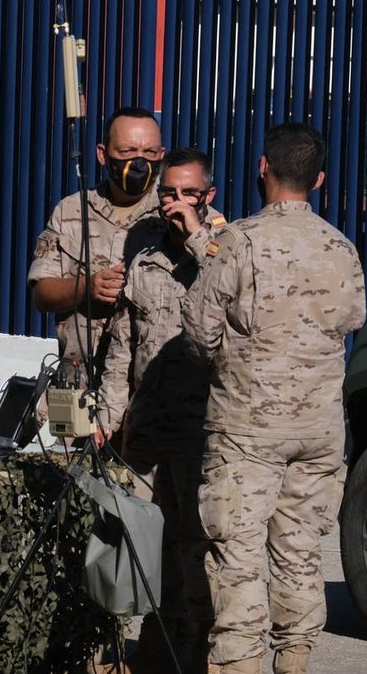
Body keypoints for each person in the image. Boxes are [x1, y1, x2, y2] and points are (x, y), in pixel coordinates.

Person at [180, 123, 366, 674]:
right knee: (300, 553)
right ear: (320, 179)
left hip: (247, 428)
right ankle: (296, 661)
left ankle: (237, 666)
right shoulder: (341, 248)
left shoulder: (239, 241)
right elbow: (350, 321)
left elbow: (198, 329)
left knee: (237, 558)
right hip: (319, 429)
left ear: (263, 169)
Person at [97, 148, 226, 674]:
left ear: (208, 197)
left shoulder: (227, 253)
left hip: (207, 432)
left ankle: (196, 655)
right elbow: (123, 349)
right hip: (150, 428)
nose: (174, 204)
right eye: (168, 193)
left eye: (187, 194)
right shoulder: (145, 258)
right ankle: (153, 653)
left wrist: (200, 233)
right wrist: (110, 417)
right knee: (146, 549)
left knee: (198, 554)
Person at [28, 106, 166, 434]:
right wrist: (86, 287)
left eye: (149, 152)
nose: (140, 162)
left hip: (150, 401)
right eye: (128, 152)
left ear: (162, 155)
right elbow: (42, 294)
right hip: (79, 390)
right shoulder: (72, 210)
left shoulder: (177, 213)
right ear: (104, 155)